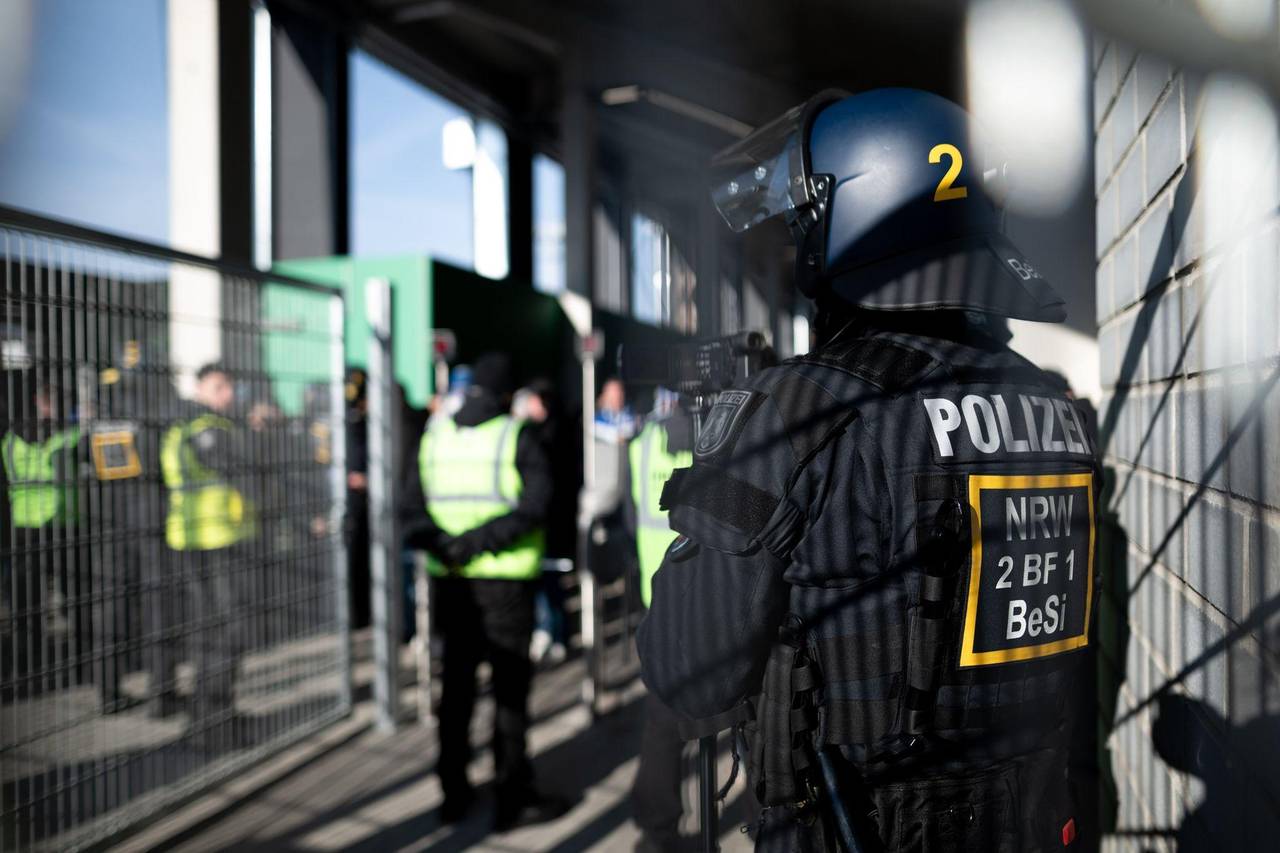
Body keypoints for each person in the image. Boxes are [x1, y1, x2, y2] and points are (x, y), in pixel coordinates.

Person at [637, 88, 1102, 852]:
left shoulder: (797, 410)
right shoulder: (1054, 407)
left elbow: (689, 670)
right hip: (1038, 819)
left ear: (856, 216)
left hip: (855, 828)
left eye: (806, 222)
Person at [400, 352, 570, 831]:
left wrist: (449, 546)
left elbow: (409, 512)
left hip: (451, 581)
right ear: (507, 394)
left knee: (456, 688)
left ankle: (452, 794)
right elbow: (536, 506)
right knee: (510, 691)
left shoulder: (435, 436)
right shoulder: (516, 435)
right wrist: (479, 542)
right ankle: (512, 798)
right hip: (506, 582)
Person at [161, 363, 256, 748]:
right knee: (226, 632)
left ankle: (212, 715)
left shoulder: (181, 425)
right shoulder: (207, 429)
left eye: (230, 386)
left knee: (210, 632)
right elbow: (238, 472)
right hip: (215, 539)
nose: (227, 394)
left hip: (195, 537)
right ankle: (213, 720)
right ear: (200, 388)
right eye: (219, 387)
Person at [626, 388, 696, 851]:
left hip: (660, 595)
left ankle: (656, 832)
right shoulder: (720, 433)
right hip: (717, 596)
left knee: (662, 722)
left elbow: (632, 511)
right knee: (755, 723)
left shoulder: (644, 440)